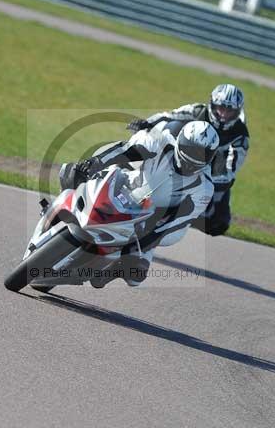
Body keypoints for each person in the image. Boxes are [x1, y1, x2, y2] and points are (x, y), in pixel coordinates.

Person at [59, 121, 218, 286]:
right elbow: (124, 150)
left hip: (151, 221)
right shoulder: (161, 142)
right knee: (71, 173)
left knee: (136, 274)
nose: (195, 157)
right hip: (126, 186)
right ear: (180, 141)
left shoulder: (204, 187)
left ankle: (110, 268)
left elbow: (175, 222)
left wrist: (142, 244)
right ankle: (55, 209)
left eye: (203, 154)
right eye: (192, 150)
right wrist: (95, 162)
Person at [127, 84, 249, 236]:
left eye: (229, 110)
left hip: (211, 172)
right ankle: (136, 172)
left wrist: (206, 181)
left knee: (218, 224)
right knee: (170, 127)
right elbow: (168, 116)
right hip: (178, 154)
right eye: (221, 108)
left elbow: (230, 172)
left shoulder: (240, 135)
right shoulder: (197, 110)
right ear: (212, 104)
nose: (223, 114)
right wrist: (146, 123)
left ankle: (180, 216)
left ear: (237, 112)